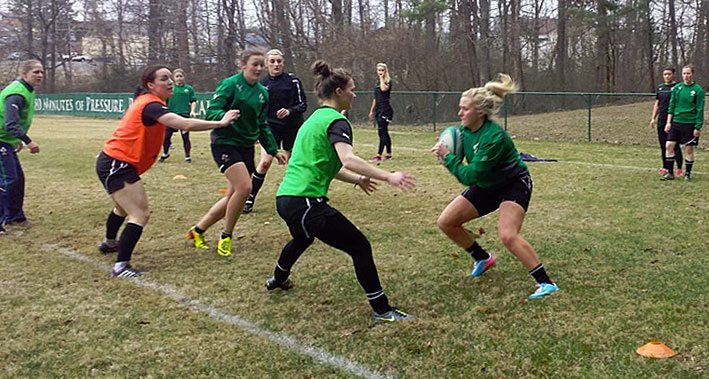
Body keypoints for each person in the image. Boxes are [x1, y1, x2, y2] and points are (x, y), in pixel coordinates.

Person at [265, 60, 416, 323]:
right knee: (360, 246)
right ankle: (382, 310)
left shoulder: (313, 120)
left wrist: (357, 180)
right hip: (307, 203)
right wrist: (388, 175)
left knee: (302, 238)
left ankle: (278, 279)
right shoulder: (337, 121)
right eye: (352, 89)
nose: (355, 94)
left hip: (286, 199)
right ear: (338, 92)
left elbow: (327, 166)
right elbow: (347, 159)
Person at [96, 65, 238, 277]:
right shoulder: (151, 104)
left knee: (123, 208)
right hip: (118, 164)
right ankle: (121, 266)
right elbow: (184, 123)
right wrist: (220, 122)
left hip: (114, 162)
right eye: (164, 79)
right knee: (139, 213)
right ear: (151, 85)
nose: (170, 81)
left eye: (171, 77)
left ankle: (109, 243)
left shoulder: (150, 102)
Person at [431, 74, 559, 300]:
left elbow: (470, 175)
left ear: (480, 112)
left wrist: (448, 158)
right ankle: (483, 258)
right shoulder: (462, 132)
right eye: (459, 108)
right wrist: (445, 151)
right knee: (446, 222)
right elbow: (465, 164)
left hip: (512, 184)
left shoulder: (494, 137)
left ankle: (546, 284)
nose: (460, 113)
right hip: (487, 185)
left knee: (508, 235)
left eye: (465, 109)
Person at [187, 49, 287, 256]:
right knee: (245, 188)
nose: (259, 68)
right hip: (224, 143)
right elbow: (211, 111)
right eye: (255, 64)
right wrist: (225, 115)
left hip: (246, 146)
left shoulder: (262, 92)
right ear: (243, 65)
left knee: (234, 196)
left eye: (261, 65)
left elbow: (262, 124)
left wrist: (273, 150)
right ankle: (226, 236)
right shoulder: (230, 84)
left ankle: (198, 230)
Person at [243, 49, 307, 214]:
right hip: (271, 127)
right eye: (272, 61)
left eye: (279, 61)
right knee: (265, 162)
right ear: (266, 64)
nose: (276, 64)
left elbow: (303, 105)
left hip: (292, 127)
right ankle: (249, 198)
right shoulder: (261, 84)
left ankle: (296, 197)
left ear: (283, 62)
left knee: (292, 165)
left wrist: (289, 111)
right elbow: (257, 109)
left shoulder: (293, 81)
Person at [0, 60, 44, 235]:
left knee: (17, 179)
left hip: (6, 140)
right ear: (24, 73)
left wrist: (15, 140)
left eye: (41, 72)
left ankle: (14, 216)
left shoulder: (27, 90)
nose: (40, 75)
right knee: (7, 179)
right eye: (35, 72)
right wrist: (28, 141)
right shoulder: (16, 93)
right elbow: (10, 123)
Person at [661, 64, 704, 181]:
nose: (686, 76)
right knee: (669, 145)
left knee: (688, 149)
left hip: (689, 123)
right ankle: (670, 173)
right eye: (684, 73)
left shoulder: (698, 90)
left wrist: (698, 127)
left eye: (688, 73)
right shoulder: (677, 88)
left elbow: (700, 110)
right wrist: (668, 122)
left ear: (692, 74)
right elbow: (672, 106)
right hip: (676, 122)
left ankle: (687, 174)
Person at [650, 67, 683, 177]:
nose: (667, 76)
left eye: (669, 74)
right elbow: (657, 104)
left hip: (674, 121)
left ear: (673, 74)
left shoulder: (678, 87)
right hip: (662, 121)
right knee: (663, 145)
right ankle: (665, 167)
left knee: (674, 145)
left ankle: (679, 168)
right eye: (665, 74)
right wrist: (653, 118)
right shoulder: (660, 88)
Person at [160, 68, 197, 163]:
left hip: (184, 116)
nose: (179, 78)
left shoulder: (188, 89)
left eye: (181, 76)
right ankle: (165, 153)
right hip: (171, 116)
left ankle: (187, 156)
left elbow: (193, 101)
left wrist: (192, 111)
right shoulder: (170, 89)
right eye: (177, 76)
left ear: (184, 77)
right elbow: (164, 101)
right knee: (166, 136)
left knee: (185, 137)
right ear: (173, 78)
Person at [368, 63, 394, 161]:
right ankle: (388, 154)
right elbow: (376, 98)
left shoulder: (387, 81)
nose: (380, 72)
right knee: (382, 132)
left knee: (382, 132)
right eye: (379, 70)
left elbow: (383, 89)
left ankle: (379, 154)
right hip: (379, 110)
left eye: (382, 70)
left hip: (386, 110)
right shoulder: (377, 83)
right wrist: (371, 111)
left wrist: (382, 79)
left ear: (385, 71)